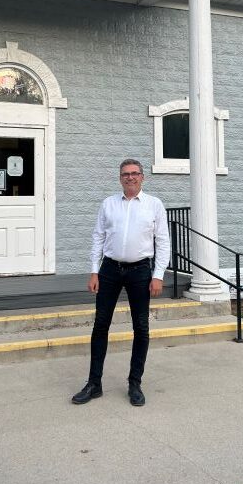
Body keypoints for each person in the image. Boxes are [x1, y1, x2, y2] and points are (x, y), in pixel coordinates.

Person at [71, 159, 170, 407]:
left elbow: (163, 242)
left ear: (142, 177)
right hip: (109, 269)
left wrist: (158, 274)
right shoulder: (108, 204)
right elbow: (98, 237)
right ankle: (94, 384)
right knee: (101, 325)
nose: (130, 177)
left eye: (135, 173)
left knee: (141, 327)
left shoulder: (154, 205)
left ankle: (135, 383)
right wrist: (94, 271)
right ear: (120, 178)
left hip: (140, 271)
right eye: (125, 174)